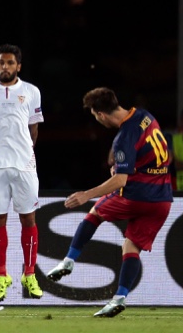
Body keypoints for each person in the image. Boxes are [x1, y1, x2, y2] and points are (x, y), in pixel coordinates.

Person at [46, 87, 173, 318]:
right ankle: (119, 298)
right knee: (131, 245)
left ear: (100, 114)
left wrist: (86, 193)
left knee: (95, 212)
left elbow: (120, 180)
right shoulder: (145, 116)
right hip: (163, 199)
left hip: (137, 195)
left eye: (95, 116)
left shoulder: (123, 137)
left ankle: (68, 261)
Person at [0, 44, 44, 302]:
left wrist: (25, 152)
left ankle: (29, 274)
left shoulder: (31, 92)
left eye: (10, 62)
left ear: (19, 66)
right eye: (1, 62)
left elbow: (34, 130)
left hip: (24, 165)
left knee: (29, 220)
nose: (5, 67)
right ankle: (2, 276)